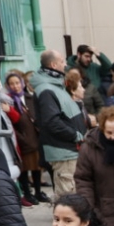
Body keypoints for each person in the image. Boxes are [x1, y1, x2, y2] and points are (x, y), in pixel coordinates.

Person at [30, 52, 86, 197]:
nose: (66, 64)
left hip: (68, 151)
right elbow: (51, 122)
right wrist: (76, 136)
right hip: (63, 153)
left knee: (73, 196)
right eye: (62, 61)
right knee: (68, 198)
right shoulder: (47, 89)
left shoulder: (55, 86)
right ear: (53, 65)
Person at [4, 69, 47, 204]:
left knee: (36, 166)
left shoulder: (29, 98)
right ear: (8, 86)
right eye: (12, 84)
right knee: (24, 168)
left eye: (17, 83)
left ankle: (38, 192)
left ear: (22, 83)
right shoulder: (8, 101)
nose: (15, 86)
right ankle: (27, 193)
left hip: (35, 137)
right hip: (22, 139)